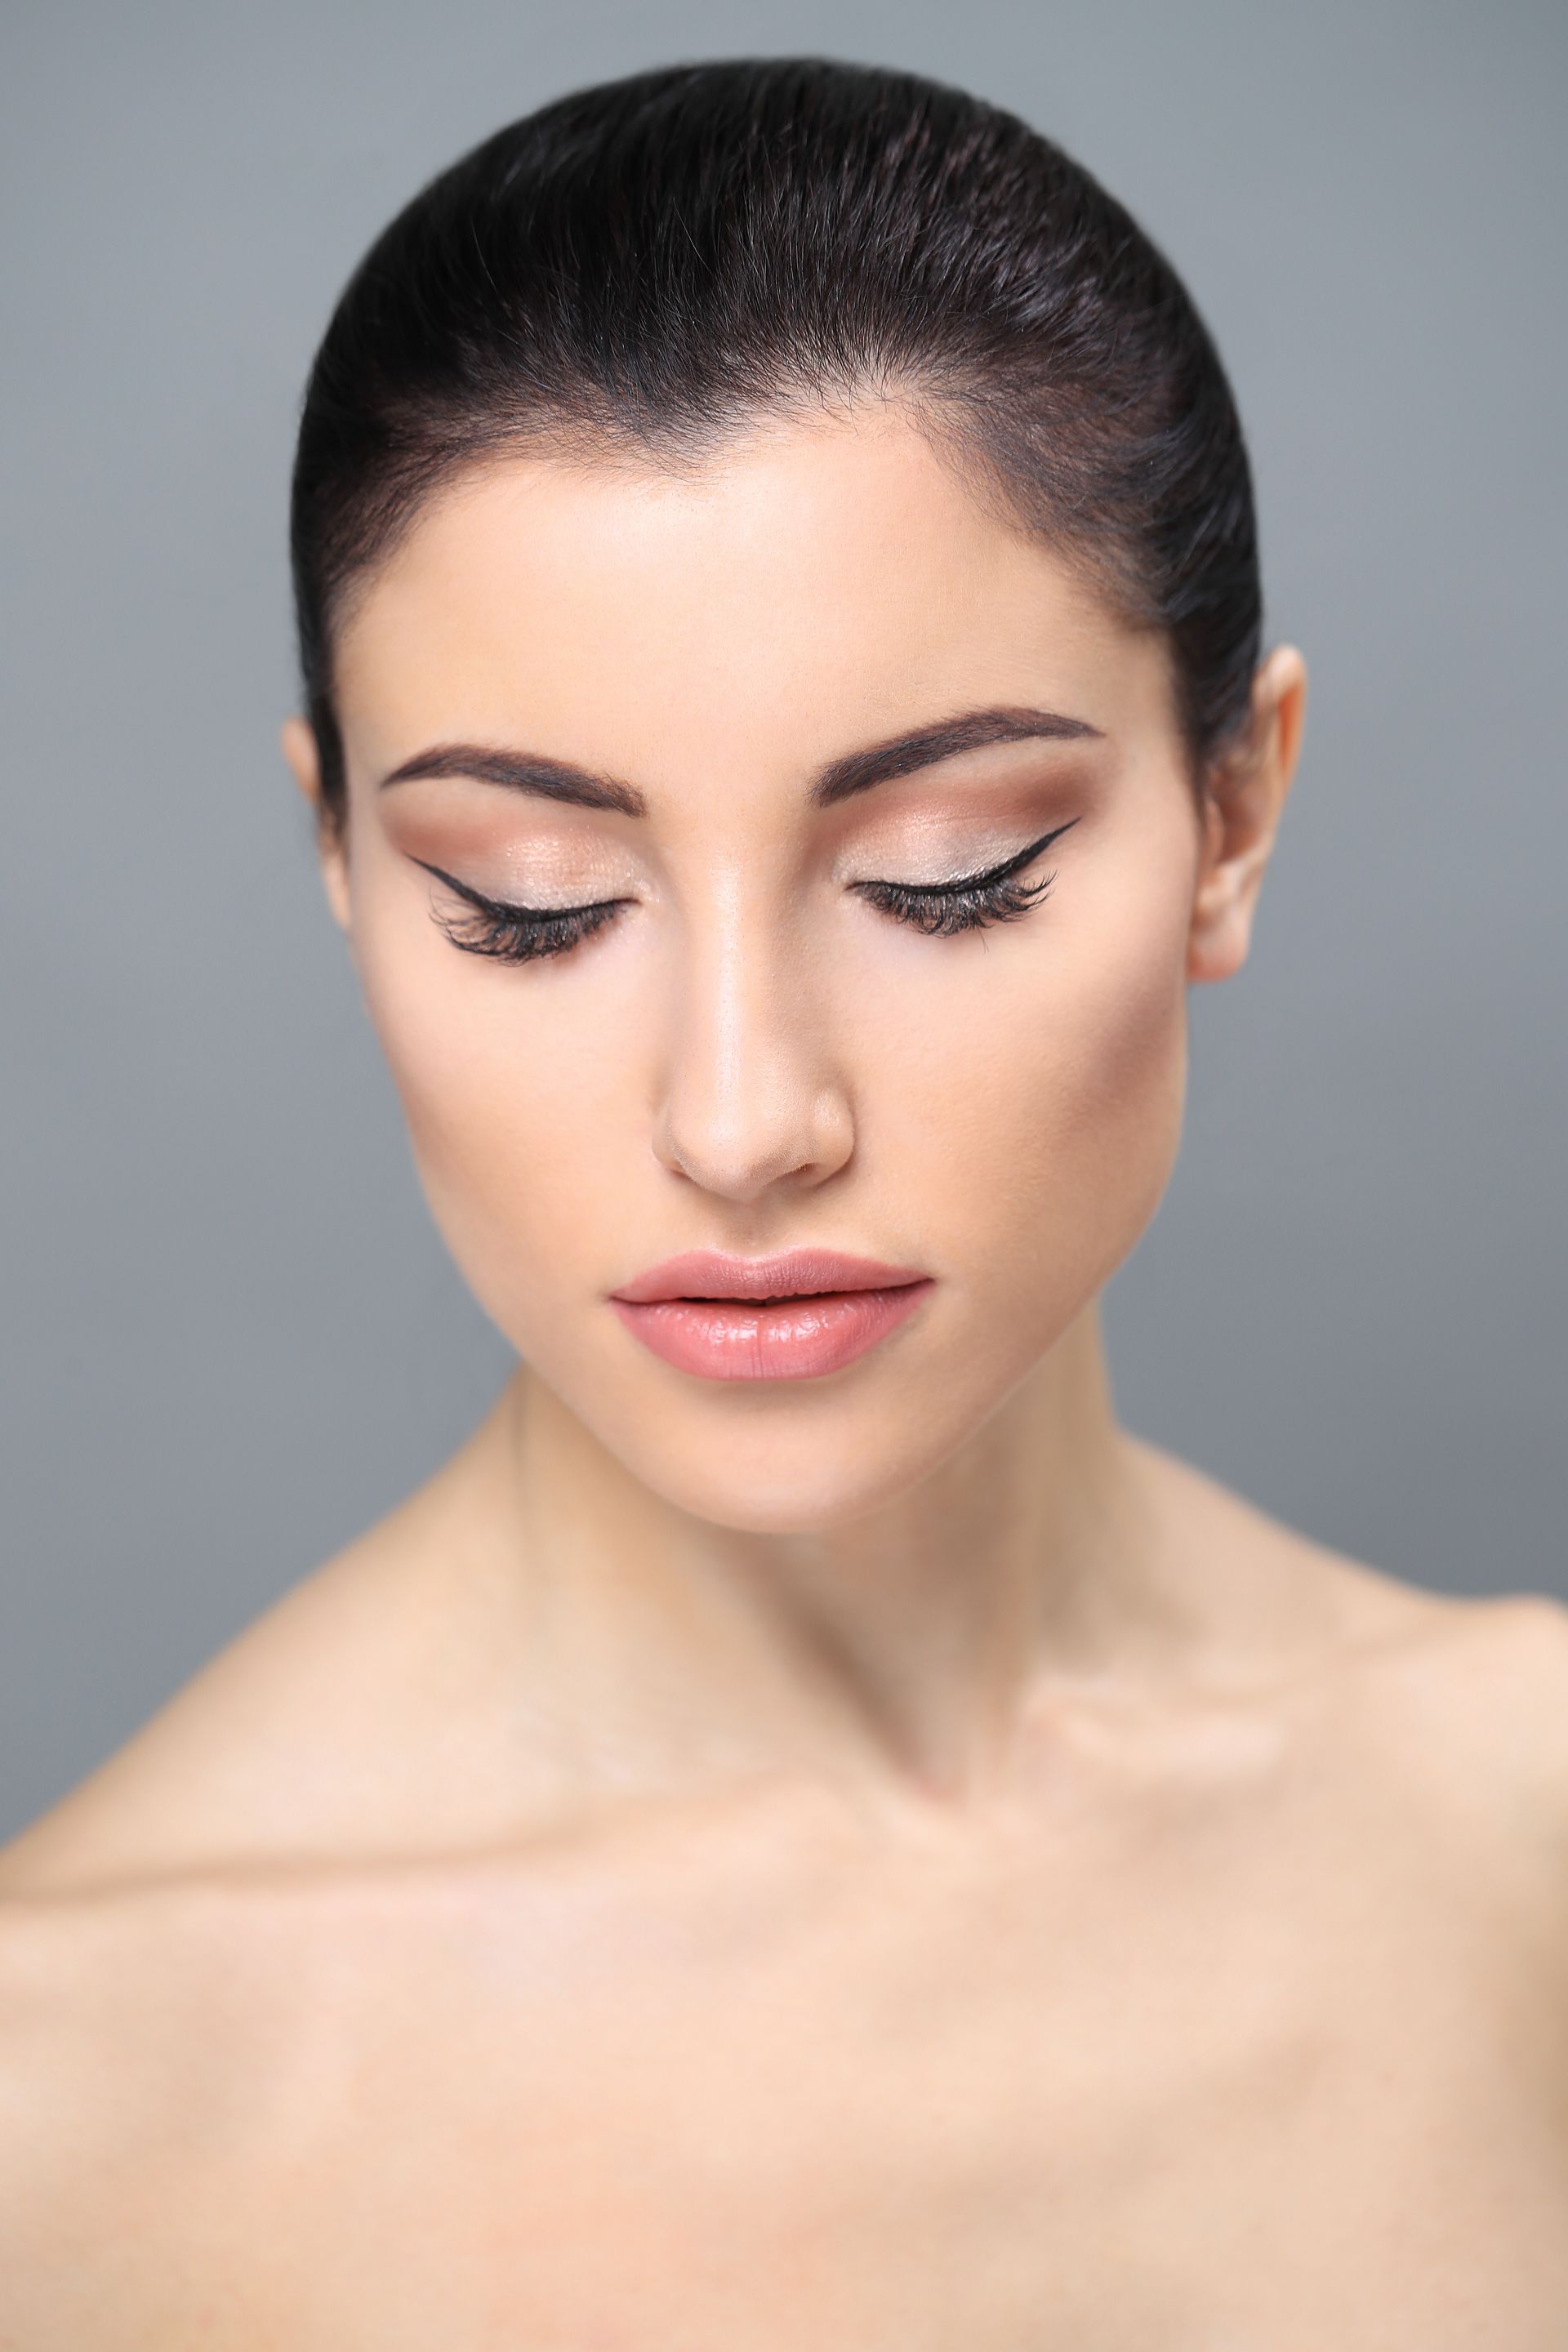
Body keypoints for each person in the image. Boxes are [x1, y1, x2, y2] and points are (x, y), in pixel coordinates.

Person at [2, 55, 1565, 2345]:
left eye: (950, 877)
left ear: (1233, 815)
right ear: (337, 855)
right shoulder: (65, 2113)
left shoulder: (1531, 1837)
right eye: (529, 901)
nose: (743, 1121)